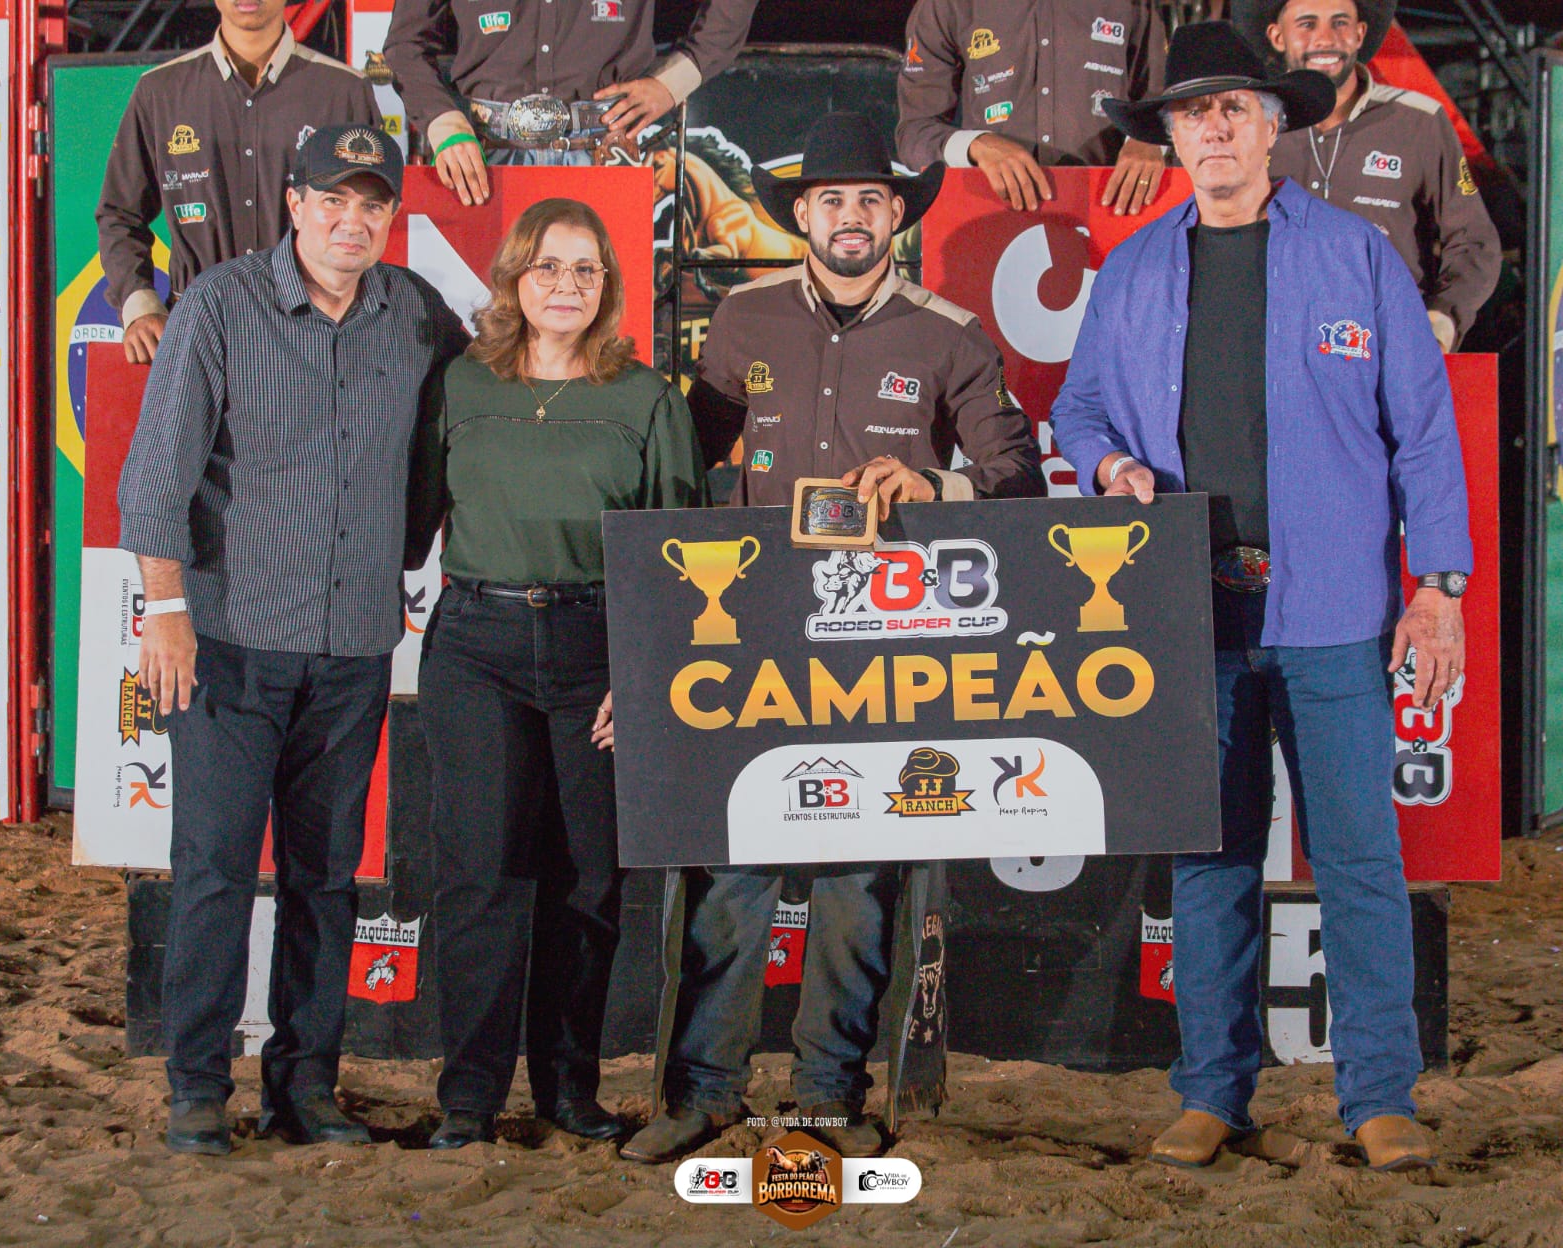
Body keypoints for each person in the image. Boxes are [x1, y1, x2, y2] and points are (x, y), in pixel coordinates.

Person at [1050, 22, 1470, 1172]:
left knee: (1359, 861)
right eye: (1193, 112)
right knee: (1210, 861)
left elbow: (1424, 432)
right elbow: (1078, 409)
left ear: (1274, 124)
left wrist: (1437, 588)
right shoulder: (1133, 269)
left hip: (1335, 612)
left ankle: (1377, 1096)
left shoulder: (1357, 256)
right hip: (1194, 611)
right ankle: (1213, 1093)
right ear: (1171, 136)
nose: (1215, 129)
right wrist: (1106, 464)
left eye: (1235, 107)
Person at [619, 111, 1044, 1166]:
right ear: (800, 213)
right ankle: (703, 1093)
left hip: (883, 636)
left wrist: (932, 484)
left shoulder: (950, 333)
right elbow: (684, 467)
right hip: (755, 632)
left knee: (858, 878)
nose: (850, 216)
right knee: (732, 868)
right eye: (830, 200)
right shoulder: (741, 318)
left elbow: (1017, 481)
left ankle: (825, 1095)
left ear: (896, 214)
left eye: (869, 199)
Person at [117, 125, 469, 1156]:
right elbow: (157, 472)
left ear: (390, 215)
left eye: (372, 204)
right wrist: (165, 612)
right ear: (295, 204)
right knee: (215, 868)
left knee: (325, 877)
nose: (351, 221)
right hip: (226, 639)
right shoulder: (221, 305)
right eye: (333, 200)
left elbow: (468, 417)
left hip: (354, 644)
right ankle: (196, 1088)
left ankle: (305, 1088)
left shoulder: (415, 312)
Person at [404, 198, 707, 1149]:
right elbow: (411, 522)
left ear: (608, 286)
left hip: (597, 650)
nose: (565, 285)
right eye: (547, 266)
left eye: (585, 268)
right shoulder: (459, 385)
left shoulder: (647, 399)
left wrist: (643, 670)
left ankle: (568, 1091)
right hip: (476, 644)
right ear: (513, 280)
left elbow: (679, 556)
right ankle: (468, 1098)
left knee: (585, 884)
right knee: (480, 876)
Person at [96, 0, 380, 365]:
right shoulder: (160, 92)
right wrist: (140, 305)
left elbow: (374, 217)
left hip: (314, 341)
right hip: (196, 338)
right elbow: (119, 214)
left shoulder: (344, 91)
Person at [1240, 0, 1501, 350]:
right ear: (1277, 36)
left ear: (1360, 34)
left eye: (1340, 23)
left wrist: (1442, 317)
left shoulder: (1418, 121)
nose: (1325, 38)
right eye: (1307, 24)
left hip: (1388, 348)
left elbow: (1474, 241)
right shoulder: (1246, 125)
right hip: (1273, 347)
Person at [382, 0, 760, 205]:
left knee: (607, 319)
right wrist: (442, 121)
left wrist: (674, 81)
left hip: (606, 151)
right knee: (485, 315)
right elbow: (404, 44)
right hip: (483, 155)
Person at [895, 0, 1169, 215]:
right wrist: (978, 145)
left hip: (1112, 212)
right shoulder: (948, 5)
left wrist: (1149, 140)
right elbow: (914, 132)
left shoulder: (1134, 5)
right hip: (990, 218)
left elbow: (1169, 101)